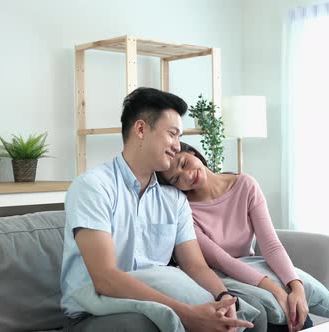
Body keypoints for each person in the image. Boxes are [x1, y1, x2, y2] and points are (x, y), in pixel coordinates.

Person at [60, 87, 254, 332]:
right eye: (172, 134)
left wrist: (223, 297)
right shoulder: (93, 187)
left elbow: (195, 265)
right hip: (93, 314)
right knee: (145, 325)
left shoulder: (174, 199)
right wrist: (186, 314)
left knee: (239, 316)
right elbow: (105, 278)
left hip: (156, 302)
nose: (177, 145)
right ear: (140, 129)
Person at [156, 142, 314, 332]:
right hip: (217, 278)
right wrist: (276, 291)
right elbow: (222, 261)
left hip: (251, 268)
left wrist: (296, 288)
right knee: (272, 321)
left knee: (304, 321)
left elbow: (271, 246)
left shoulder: (245, 185)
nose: (188, 176)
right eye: (176, 179)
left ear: (192, 152)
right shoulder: (185, 210)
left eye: (183, 163)